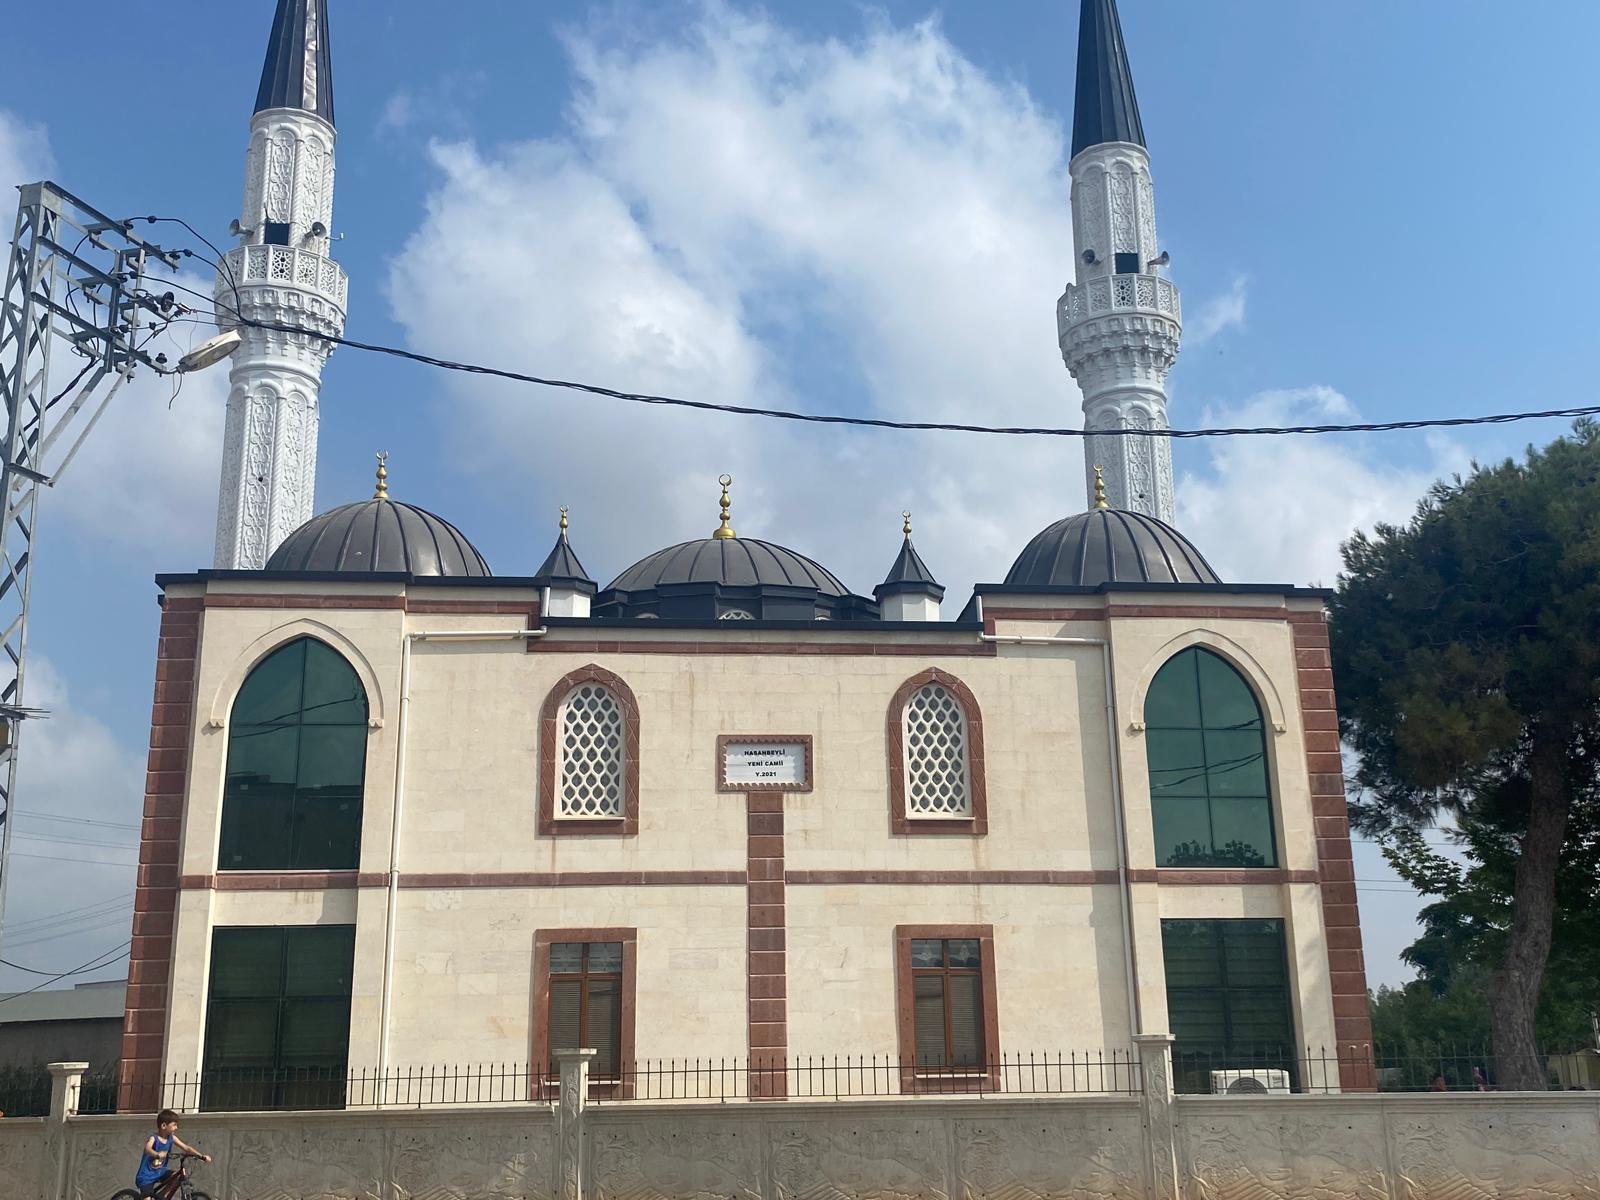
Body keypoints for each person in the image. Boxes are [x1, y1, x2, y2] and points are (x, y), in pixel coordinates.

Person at [135, 1109, 210, 1200]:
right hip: (146, 1177)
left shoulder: (171, 1138)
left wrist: (201, 1156)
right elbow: (147, 1149)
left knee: (178, 1176)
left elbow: (186, 1148)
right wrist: (157, 1155)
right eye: (174, 1125)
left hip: (160, 1172)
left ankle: (161, 1196)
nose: (176, 1127)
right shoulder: (154, 1138)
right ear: (164, 1126)